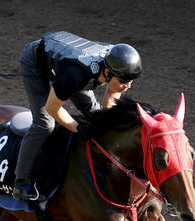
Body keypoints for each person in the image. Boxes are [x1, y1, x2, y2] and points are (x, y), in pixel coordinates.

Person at [12, 31, 142, 201]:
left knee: (95, 115)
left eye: (130, 81)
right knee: (45, 124)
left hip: (66, 64)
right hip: (35, 62)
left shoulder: (114, 62)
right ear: (108, 73)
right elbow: (52, 107)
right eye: (124, 82)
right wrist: (77, 127)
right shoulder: (77, 75)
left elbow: (110, 99)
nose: (128, 86)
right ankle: (21, 182)